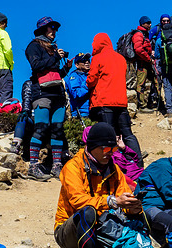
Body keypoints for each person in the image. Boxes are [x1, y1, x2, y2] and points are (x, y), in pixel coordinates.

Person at [54, 122, 141, 248]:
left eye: (113, 149)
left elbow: (123, 195)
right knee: (87, 212)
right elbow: (78, 201)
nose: (111, 153)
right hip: (68, 231)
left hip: (102, 226)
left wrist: (132, 206)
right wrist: (112, 201)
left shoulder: (113, 169)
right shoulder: (73, 167)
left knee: (139, 216)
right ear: (93, 147)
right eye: (106, 149)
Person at [25, 17, 72, 180]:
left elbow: (53, 74)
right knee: (41, 128)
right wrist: (56, 57)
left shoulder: (52, 48)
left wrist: (65, 68)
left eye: (55, 28)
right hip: (41, 93)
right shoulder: (33, 46)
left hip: (57, 93)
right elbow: (36, 66)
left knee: (58, 129)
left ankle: (57, 166)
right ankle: (33, 166)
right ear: (43, 29)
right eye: (51, 28)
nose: (54, 31)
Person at [87, 33, 143, 167]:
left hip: (104, 101)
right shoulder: (120, 58)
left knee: (108, 134)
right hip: (121, 102)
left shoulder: (97, 58)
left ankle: (111, 165)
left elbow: (91, 80)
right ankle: (138, 163)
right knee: (127, 133)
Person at [152, 15, 172, 116]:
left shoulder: (160, 39)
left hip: (166, 67)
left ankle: (169, 111)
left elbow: (157, 55)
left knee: (167, 88)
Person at [132, 16, 159, 112]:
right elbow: (138, 49)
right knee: (141, 84)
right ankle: (142, 106)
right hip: (141, 64)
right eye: (148, 23)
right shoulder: (139, 34)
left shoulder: (144, 34)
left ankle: (153, 101)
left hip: (146, 62)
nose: (150, 25)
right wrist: (148, 58)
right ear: (142, 24)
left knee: (156, 80)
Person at [10, 79, 38, 157]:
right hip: (32, 117)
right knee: (22, 119)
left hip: (44, 120)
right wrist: (25, 111)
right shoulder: (29, 83)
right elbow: (27, 98)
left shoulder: (49, 84)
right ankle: (15, 144)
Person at [65, 53, 92, 118]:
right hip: (81, 114)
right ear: (77, 65)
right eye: (83, 61)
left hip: (93, 111)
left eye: (88, 60)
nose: (87, 62)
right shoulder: (74, 76)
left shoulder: (90, 75)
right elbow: (76, 94)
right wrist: (88, 83)